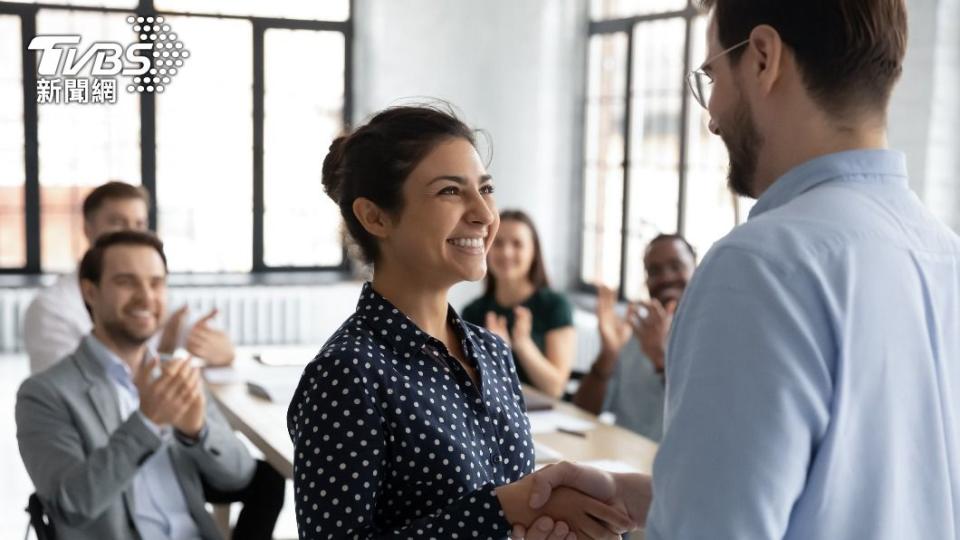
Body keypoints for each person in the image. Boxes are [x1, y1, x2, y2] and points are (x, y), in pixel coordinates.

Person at [513, 0, 960, 539]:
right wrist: (657, 499)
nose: (712, 115)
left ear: (763, 58)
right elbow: (868, 499)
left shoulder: (760, 265)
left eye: (711, 75)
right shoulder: (943, 253)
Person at [287, 105, 632, 539]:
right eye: (450, 192)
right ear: (375, 217)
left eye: (485, 190)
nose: (485, 216)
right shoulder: (348, 373)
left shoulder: (491, 351)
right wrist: (502, 510)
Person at [16, 231, 284, 540]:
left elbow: (240, 477)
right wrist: (146, 423)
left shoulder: (177, 374)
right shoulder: (44, 394)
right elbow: (71, 507)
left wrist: (197, 432)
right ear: (90, 292)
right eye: (126, 282)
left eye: (156, 283)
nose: (146, 297)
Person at [23, 181, 235, 374]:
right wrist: (162, 359)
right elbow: (68, 396)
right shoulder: (51, 308)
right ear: (90, 293)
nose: (131, 234)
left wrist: (220, 348)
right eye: (117, 223)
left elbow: (207, 335)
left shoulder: (151, 295)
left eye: (139, 224)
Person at [573, 234, 696, 441]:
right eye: (654, 271)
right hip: (625, 460)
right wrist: (608, 354)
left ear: (696, 269)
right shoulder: (633, 330)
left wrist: (660, 358)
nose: (666, 277)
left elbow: (702, 415)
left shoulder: (712, 332)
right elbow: (583, 410)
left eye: (676, 266)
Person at [462, 210, 576, 397]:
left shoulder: (555, 305)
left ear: (534, 252)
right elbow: (473, 386)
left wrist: (522, 344)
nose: (506, 252)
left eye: (517, 244)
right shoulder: (472, 312)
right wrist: (499, 353)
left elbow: (555, 388)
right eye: (498, 243)